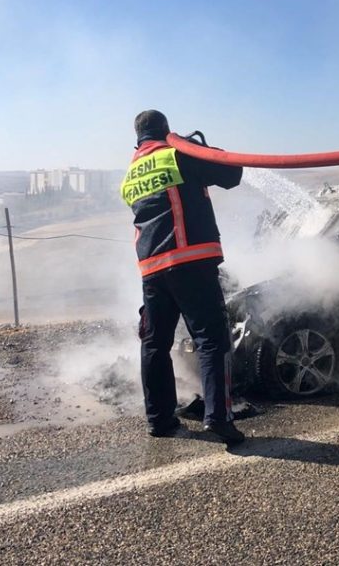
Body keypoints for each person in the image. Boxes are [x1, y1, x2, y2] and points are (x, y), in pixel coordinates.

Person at [121, 109, 246, 445]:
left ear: (138, 137)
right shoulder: (176, 156)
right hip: (190, 261)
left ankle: (159, 420)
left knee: (154, 343)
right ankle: (218, 418)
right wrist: (193, 144)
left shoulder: (131, 173)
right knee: (212, 339)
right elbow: (232, 172)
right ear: (165, 130)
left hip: (151, 270)